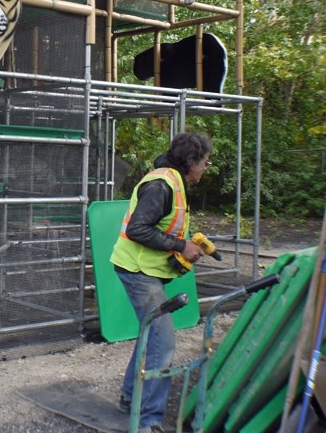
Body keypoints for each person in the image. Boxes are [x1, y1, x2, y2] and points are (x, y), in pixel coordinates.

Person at [109, 132, 212, 433]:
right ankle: (148, 420)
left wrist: (185, 243)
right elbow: (138, 229)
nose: (206, 168)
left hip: (145, 269)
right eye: (205, 163)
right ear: (191, 162)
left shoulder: (173, 182)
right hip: (137, 269)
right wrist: (181, 247)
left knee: (150, 336)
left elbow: (164, 225)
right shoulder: (161, 184)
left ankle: (131, 398)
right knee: (162, 341)